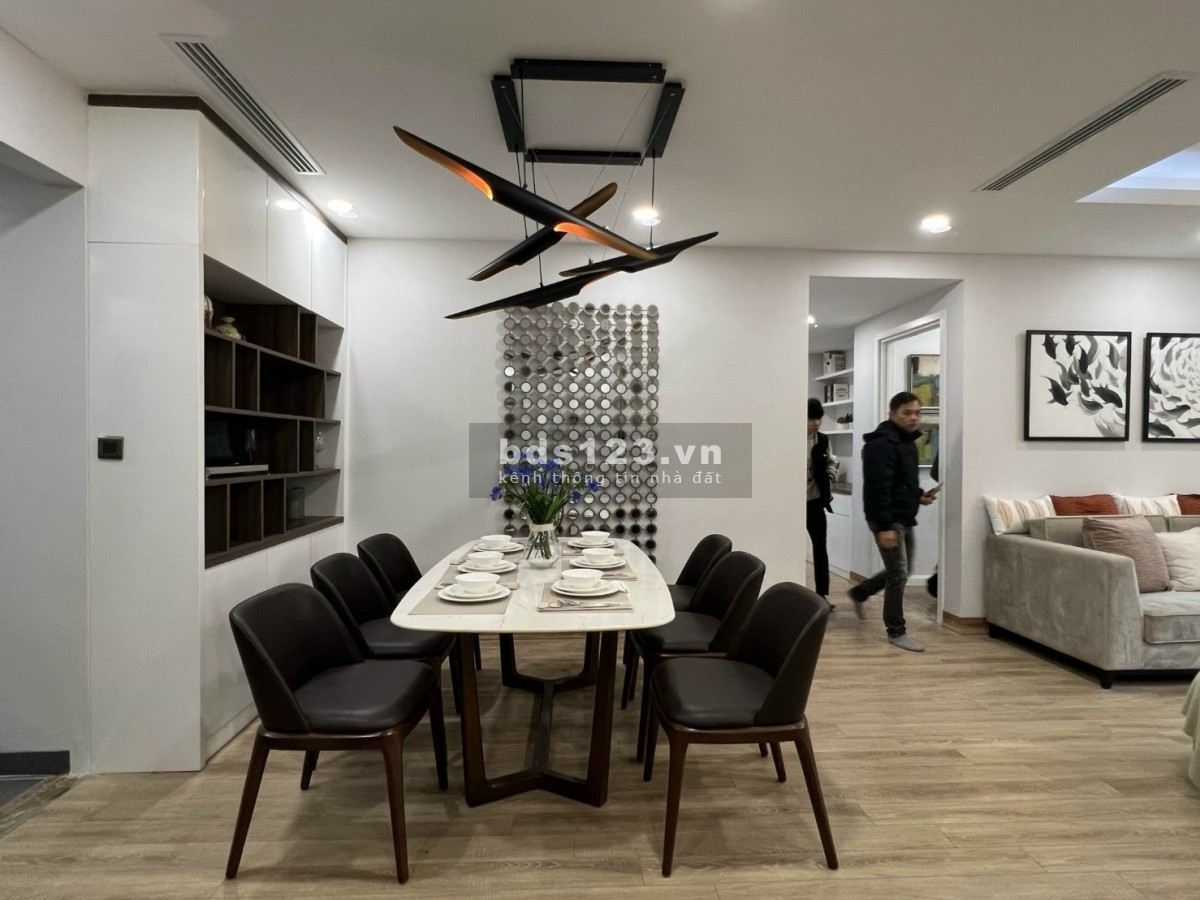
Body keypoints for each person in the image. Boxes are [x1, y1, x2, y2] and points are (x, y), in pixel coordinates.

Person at [849, 392, 936, 651]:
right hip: (887, 518)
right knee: (898, 574)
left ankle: (861, 592)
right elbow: (877, 488)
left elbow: (902, 482)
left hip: (904, 515)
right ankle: (896, 630)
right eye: (906, 413)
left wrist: (919, 496)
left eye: (917, 413)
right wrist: (885, 526)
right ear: (892, 414)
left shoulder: (907, 442)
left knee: (901, 571)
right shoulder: (881, 445)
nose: (913, 418)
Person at [805, 398, 838, 602]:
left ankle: (821, 595)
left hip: (816, 500)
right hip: (793, 502)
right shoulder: (790, 438)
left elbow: (832, 462)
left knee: (820, 547)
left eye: (818, 418)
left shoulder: (823, 440)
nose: (816, 423)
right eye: (811, 418)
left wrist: (830, 476)